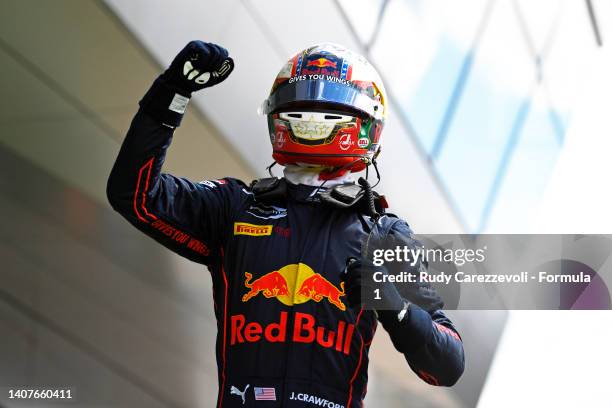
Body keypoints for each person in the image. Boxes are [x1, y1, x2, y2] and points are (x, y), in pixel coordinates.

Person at [107, 41, 464, 408]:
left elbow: (447, 365)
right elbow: (133, 195)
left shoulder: (383, 233)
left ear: (365, 122)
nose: (312, 120)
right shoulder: (233, 207)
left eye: (327, 110)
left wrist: (396, 306)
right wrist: (173, 92)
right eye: (303, 109)